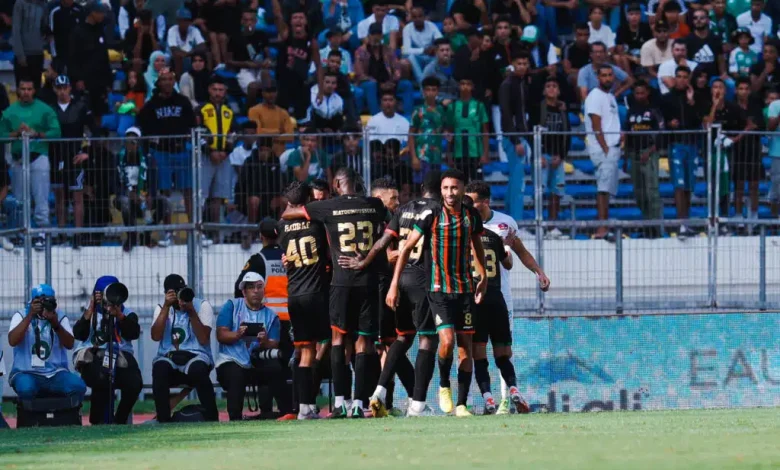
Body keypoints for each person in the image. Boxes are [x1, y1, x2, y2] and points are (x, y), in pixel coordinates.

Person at [280, 167, 388, 419]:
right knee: (364, 343)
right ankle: (359, 404)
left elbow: (288, 213)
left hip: (340, 284)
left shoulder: (328, 206)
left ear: (338, 184)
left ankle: (340, 402)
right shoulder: (375, 205)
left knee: (338, 341)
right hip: (368, 282)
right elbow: (385, 231)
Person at [385, 169, 487, 417]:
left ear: (462, 189)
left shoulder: (471, 215)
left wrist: (482, 276)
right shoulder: (431, 215)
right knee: (447, 342)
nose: (450, 193)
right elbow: (407, 247)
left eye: (454, 188)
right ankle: (444, 384)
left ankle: (461, 404)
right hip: (438, 290)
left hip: (464, 290)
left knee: (465, 347)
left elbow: (477, 246)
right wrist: (393, 284)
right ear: (440, 191)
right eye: (445, 189)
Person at [338, 171, 440, 417]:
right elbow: (379, 251)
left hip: (391, 283)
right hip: (383, 286)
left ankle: (387, 398)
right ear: (378, 198)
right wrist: (392, 256)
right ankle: (393, 399)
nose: (397, 202)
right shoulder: (373, 221)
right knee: (388, 344)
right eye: (392, 198)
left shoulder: (395, 216)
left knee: (392, 343)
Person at [464, 181, 549, 413]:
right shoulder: (471, 225)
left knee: (480, 351)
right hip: (493, 299)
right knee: (499, 351)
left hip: (493, 296)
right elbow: (509, 261)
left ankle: (498, 400)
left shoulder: (503, 223)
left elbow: (520, 253)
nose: (468, 205)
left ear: (486, 201)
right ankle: (501, 395)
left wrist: (538, 271)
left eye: (472, 201)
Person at [277, 181, 332, 419]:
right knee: (329, 344)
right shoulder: (316, 222)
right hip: (316, 292)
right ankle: (341, 402)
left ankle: (304, 407)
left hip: (294, 294)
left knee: (303, 352)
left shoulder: (282, 225)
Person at [137, 68, 197, 247]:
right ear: (158, 82)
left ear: (174, 81)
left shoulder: (183, 101)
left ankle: (193, 230)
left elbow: (192, 125)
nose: (167, 82)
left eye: (170, 79)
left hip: (181, 151)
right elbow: (143, 127)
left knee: (188, 191)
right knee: (164, 194)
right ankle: (169, 232)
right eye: (164, 79)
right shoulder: (151, 104)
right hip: (161, 153)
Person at [0, 78, 61, 250]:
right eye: (23, 89)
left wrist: (37, 134)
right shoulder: (9, 112)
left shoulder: (44, 109)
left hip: (38, 157)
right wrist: (16, 133)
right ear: (18, 91)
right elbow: (1, 134)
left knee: (40, 197)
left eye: (29, 89)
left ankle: (41, 233)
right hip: (18, 160)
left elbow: (56, 132)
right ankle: (20, 233)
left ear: (34, 90)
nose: (26, 92)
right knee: (20, 200)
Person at [72, 276, 142, 425]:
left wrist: (119, 315)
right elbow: (78, 334)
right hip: (93, 357)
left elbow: (133, 333)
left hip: (121, 356)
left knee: (135, 383)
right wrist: (91, 308)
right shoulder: (90, 313)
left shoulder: (127, 313)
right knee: (102, 376)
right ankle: (98, 421)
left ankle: (120, 419)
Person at [216, 272, 286, 421]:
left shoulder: (271, 316)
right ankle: (235, 418)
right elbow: (221, 335)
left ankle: (279, 412)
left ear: (264, 290)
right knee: (236, 374)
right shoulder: (231, 306)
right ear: (244, 291)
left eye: (259, 287)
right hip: (231, 360)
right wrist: (237, 335)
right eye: (251, 287)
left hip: (256, 360)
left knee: (274, 367)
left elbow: (274, 343)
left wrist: (265, 342)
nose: (255, 290)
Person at [150, 274, 218, 423]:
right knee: (159, 368)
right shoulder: (161, 308)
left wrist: (191, 311)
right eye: (174, 293)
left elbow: (204, 339)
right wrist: (167, 306)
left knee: (198, 369)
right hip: (169, 357)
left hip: (196, 356)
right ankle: (163, 420)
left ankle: (212, 418)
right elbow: (155, 336)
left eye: (181, 291)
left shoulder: (202, 305)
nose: (178, 296)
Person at [7, 284, 86, 403]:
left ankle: (68, 416)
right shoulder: (21, 315)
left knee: (78, 386)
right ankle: (29, 419)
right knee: (26, 388)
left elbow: (70, 344)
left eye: (48, 301)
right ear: (32, 302)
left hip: (55, 373)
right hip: (26, 371)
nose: (44, 306)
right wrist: (30, 316)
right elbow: (12, 341)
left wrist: (55, 324)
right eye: (40, 302)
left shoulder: (59, 316)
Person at [49, 75, 92, 249]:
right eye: (58, 87)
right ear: (55, 89)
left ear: (70, 88)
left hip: (75, 157)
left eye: (65, 87)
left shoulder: (80, 107)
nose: (62, 91)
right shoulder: (50, 109)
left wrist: (87, 152)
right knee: (60, 197)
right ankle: (61, 235)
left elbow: (94, 131)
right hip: (56, 157)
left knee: (77, 197)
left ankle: (78, 236)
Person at [661, 65, 703, 237]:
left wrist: (692, 102)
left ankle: (686, 221)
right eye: (679, 76)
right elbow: (660, 118)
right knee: (679, 184)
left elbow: (699, 119)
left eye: (685, 77)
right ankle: (681, 224)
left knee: (689, 185)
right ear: (675, 77)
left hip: (692, 145)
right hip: (676, 144)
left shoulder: (695, 98)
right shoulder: (666, 98)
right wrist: (669, 123)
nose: (682, 80)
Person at [199, 76, 237, 247]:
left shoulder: (230, 111)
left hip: (224, 158)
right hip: (205, 157)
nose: (218, 93)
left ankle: (216, 235)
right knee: (201, 195)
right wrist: (210, 151)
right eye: (215, 89)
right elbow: (198, 132)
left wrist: (225, 151)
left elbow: (233, 134)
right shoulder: (201, 109)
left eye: (221, 90)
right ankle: (199, 232)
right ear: (209, 90)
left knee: (219, 197)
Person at [585, 65, 622, 241]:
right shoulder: (594, 96)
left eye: (610, 75)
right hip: (603, 149)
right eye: (604, 75)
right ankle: (602, 227)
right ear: (598, 77)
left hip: (612, 148)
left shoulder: (610, 96)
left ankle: (605, 225)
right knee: (603, 189)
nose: (607, 78)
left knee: (607, 189)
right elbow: (596, 124)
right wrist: (605, 148)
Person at [115, 126, 167, 252]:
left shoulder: (148, 159)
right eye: (127, 141)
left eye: (133, 142)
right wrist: (128, 193)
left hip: (143, 197)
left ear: (138, 143)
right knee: (125, 202)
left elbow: (154, 181)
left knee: (164, 203)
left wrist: (149, 195)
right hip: (126, 197)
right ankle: (131, 237)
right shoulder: (118, 158)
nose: (130, 145)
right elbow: (115, 184)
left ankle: (146, 235)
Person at [625, 80, 664, 237]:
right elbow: (627, 133)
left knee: (651, 192)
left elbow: (662, 133)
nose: (639, 96)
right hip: (633, 154)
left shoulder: (654, 111)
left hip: (649, 153)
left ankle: (655, 226)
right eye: (637, 93)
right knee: (639, 193)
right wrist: (626, 156)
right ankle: (646, 223)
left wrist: (651, 151)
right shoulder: (631, 112)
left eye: (642, 93)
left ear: (647, 93)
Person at [273, 0, 322, 120]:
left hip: (301, 85)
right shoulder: (285, 35)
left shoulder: (312, 42)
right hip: (283, 83)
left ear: (306, 21)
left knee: (302, 120)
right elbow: (277, 15)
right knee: (281, 118)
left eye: (301, 17)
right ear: (290, 22)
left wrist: (321, 91)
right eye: (295, 17)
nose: (298, 20)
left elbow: (319, 66)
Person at [534, 77, 570, 233]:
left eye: (554, 86)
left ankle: (552, 225)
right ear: (543, 90)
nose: (551, 89)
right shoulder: (538, 109)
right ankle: (539, 223)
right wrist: (538, 154)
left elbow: (567, 134)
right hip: (542, 155)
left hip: (557, 156)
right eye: (548, 86)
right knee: (540, 191)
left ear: (559, 91)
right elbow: (532, 133)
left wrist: (561, 156)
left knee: (556, 192)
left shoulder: (563, 110)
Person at [500, 53, 533, 222]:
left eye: (524, 63)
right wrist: (516, 140)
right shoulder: (508, 84)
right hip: (513, 138)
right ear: (513, 63)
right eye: (518, 62)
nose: (522, 66)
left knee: (514, 179)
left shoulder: (522, 83)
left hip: (520, 136)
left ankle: (508, 220)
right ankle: (516, 223)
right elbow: (506, 114)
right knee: (518, 183)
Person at [236, 137, 287, 248]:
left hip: (270, 199)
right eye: (262, 150)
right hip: (251, 199)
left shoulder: (275, 161)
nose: (264, 153)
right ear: (258, 149)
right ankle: (251, 233)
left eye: (266, 150)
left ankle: (279, 234)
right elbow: (241, 184)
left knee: (283, 201)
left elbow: (279, 183)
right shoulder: (249, 161)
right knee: (254, 200)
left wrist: (277, 196)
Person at [68, 1, 112, 125]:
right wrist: (78, 79)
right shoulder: (77, 32)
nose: (103, 15)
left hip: (100, 81)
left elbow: (104, 57)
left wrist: (108, 80)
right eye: (101, 13)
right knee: (83, 112)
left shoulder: (100, 30)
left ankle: (97, 141)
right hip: (85, 81)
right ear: (93, 13)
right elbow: (73, 58)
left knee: (99, 112)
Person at [355, 22, 412, 115]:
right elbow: (360, 74)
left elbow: (397, 68)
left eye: (378, 35)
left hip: (388, 83)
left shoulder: (388, 50)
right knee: (371, 85)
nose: (376, 37)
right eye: (373, 35)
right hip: (370, 83)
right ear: (369, 36)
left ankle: (408, 118)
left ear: (382, 36)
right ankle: (376, 116)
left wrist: (393, 81)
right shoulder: (361, 51)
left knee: (407, 84)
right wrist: (378, 84)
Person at [731, 77, 763, 228]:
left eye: (746, 88)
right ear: (736, 90)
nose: (743, 91)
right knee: (739, 185)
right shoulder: (731, 106)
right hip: (738, 150)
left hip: (754, 149)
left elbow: (761, 125)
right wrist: (747, 127)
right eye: (740, 88)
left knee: (754, 185)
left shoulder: (755, 107)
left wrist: (752, 126)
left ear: (750, 90)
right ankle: (738, 215)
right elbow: (732, 126)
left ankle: (754, 215)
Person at [227, 8, 272, 106]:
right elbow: (228, 61)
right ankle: (249, 110)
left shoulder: (261, 35)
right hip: (244, 69)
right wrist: (245, 64)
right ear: (241, 21)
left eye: (251, 20)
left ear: (255, 21)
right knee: (253, 87)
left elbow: (268, 56)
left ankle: (270, 108)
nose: (248, 23)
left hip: (259, 67)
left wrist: (268, 60)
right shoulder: (235, 37)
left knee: (268, 78)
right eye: (246, 20)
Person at [448, 76, 489, 182]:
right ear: (458, 86)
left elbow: (485, 131)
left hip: (475, 151)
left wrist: (485, 153)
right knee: (460, 183)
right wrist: (449, 154)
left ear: (472, 87)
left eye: (468, 84)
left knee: (477, 184)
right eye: (462, 84)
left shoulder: (479, 106)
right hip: (458, 152)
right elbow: (449, 132)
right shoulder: (452, 107)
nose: (465, 87)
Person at [409, 76, 446, 178]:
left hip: (437, 156)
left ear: (438, 91)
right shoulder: (418, 111)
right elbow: (411, 135)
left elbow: (446, 131)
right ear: (424, 91)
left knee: (435, 188)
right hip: (422, 156)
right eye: (428, 90)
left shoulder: (442, 111)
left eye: (434, 90)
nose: (431, 93)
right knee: (422, 188)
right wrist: (414, 157)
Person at [248, 80, 296, 158]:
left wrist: (267, 134)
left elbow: (290, 137)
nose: (271, 94)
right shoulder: (254, 110)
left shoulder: (283, 112)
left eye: (273, 91)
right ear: (262, 93)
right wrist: (278, 132)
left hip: (280, 155)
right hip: (261, 155)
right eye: (268, 91)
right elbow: (257, 132)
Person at [11, 0, 47, 89]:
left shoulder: (43, 4)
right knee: (23, 91)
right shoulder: (20, 3)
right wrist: (20, 55)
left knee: (36, 90)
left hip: (38, 54)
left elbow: (44, 27)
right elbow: (16, 30)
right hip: (24, 55)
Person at [403, 6, 443, 82]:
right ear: (411, 18)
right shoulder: (407, 28)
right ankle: (422, 81)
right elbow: (405, 50)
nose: (418, 19)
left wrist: (434, 47)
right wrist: (423, 50)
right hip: (418, 57)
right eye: (414, 17)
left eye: (420, 16)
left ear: (424, 17)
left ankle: (438, 81)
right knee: (410, 57)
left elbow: (441, 41)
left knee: (441, 53)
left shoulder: (431, 25)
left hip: (431, 56)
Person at [614, 3, 653, 77]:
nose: (634, 17)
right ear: (627, 16)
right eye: (631, 14)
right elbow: (620, 51)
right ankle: (629, 79)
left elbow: (651, 47)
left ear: (641, 16)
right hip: (629, 58)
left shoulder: (646, 28)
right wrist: (633, 58)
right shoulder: (622, 29)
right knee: (621, 58)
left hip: (643, 58)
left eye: (637, 14)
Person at [687, 8, 726, 79]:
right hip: (695, 78)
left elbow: (720, 59)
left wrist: (723, 74)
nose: (698, 20)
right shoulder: (687, 40)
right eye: (695, 18)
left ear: (708, 20)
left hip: (713, 78)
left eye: (702, 18)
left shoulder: (715, 39)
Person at [167, 8, 207, 78]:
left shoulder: (194, 29)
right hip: (173, 57)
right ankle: (178, 79)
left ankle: (205, 76)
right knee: (177, 56)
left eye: (187, 20)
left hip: (190, 55)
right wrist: (187, 54)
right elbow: (174, 49)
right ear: (178, 21)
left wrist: (190, 53)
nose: (185, 23)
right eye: (182, 20)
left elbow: (202, 45)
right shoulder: (172, 30)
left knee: (206, 54)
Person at [48, 0, 85, 71]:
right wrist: (54, 54)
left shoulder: (79, 9)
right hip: (60, 53)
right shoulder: (55, 11)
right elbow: (51, 35)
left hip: (77, 53)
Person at [421, 38, 459, 104]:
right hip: (438, 104)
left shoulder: (458, 66)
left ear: (451, 51)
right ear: (436, 52)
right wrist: (440, 100)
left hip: (456, 102)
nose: (445, 53)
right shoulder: (430, 69)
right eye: (442, 50)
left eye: (447, 50)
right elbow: (423, 91)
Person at [563, 23, 592, 88]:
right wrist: (586, 71)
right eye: (580, 35)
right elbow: (567, 70)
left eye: (585, 35)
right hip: (574, 76)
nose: (583, 38)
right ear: (575, 35)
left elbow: (597, 67)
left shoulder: (592, 48)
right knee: (576, 78)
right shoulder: (568, 48)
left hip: (590, 75)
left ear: (589, 35)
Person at [768, 92, 780, 218]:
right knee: (777, 186)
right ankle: (774, 221)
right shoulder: (775, 105)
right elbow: (770, 127)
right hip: (778, 152)